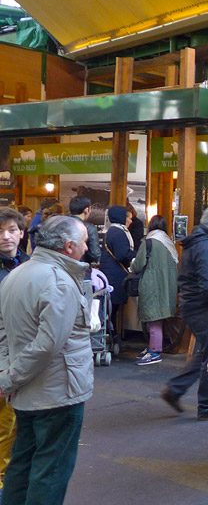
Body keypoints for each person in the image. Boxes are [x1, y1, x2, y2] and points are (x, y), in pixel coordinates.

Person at [0, 216, 91, 505]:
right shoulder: (59, 280)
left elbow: (4, 333)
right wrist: (8, 379)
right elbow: (48, 345)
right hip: (58, 393)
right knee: (50, 470)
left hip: (27, 393)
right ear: (69, 246)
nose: (87, 248)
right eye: (84, 242)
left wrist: (7, 375)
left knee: (22, 464)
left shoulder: (17, 274)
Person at [160, 205, 208, 420]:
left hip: (199, 306)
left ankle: (175, 389)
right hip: (205, 308)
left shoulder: (205, 244)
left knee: (207, 352)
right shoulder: (207, 247)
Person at [0, 208, 29, 497]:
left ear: (21, 233)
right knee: (4, 428)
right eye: (0, 231)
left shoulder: (30, 265)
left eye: (11, 230)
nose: (6, 236)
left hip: (24, 359)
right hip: (2, 359)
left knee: (19, 427)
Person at [129, 216, 178, 366]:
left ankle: (155, 351)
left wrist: (132, 265)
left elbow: (138, 265)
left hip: (152, 284)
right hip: (168, 285)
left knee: (153, 319)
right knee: (159, 317)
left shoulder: (148, 242)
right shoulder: (169, 243)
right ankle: (152, 347)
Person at [100, 205, 135, 321]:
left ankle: (112, 330)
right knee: (112, 310)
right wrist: (136, 255)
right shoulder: (118, 232)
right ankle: (112, 331)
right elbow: (122, 255)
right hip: (115, 276)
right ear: (122, 218)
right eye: (129, 218)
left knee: (111, 310)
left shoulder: (112, 231)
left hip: (110, 273)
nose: (131, 221)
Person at [68, 196, 100, 265]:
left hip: (61, 265)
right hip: (81, 267)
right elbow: (95, 254)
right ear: (86, 210)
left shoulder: (61, 224)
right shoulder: (89, 228)